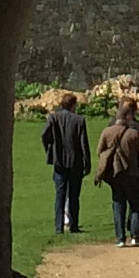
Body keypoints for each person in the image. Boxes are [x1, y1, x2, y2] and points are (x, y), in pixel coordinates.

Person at [94, 94, 139, 246]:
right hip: (132, 172)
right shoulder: (133, 134)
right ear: (127, 117)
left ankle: (120, 238)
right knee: (135, 205)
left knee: (118, 204)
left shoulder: (106, 132)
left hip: (114, 173)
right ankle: (135, 236)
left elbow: (99, 151)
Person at [40, 90, 91, 235]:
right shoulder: (79, 120)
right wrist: (87, 163)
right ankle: (73, 225)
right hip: (75, 162)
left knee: (60, 195)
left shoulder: (53, 118)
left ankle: (58, 227)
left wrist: (49, 149)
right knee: (74, 196)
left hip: (59, 161)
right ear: (73, 105)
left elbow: (44, 136)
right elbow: (83, 144)